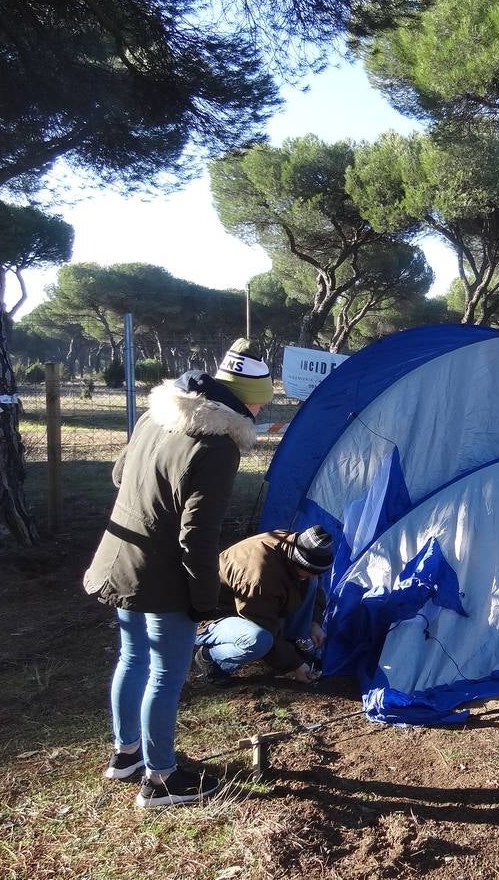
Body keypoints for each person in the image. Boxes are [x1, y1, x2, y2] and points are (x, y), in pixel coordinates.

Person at [83, 339, 272, 808]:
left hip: (121, 557)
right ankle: (161, 778)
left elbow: (119, 474)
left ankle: (126, 755)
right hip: (161, 572)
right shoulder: (218, 445)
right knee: (167, 673)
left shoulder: (158, 414)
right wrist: (203, 599)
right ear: (249, 399)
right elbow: (198, 535)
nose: (262, 407)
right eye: (262, 399)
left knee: (132, 658)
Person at [194, 526, 334, 685]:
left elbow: (313, 585)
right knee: (259, 639)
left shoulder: (296, 547)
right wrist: (295, 665)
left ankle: (291, 644)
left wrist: (314, 622)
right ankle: (211, 658)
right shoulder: (259, 578)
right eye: (309, 572)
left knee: (311, 582)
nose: (313, 576)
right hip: (212, 614)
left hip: (250, 607)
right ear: (297, 563)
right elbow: (263, 624)